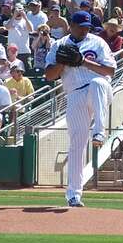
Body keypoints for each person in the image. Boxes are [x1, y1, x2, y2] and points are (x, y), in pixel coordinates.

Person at [45, 11, 115, 207]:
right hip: (74, 93)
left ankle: (99, 132)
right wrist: (62, 63)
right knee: (77, 144)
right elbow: (49, 76)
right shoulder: (59, 45)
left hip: (98, 90)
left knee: (98, 84)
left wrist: (84, 61)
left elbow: (110, 71)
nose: (85, 30)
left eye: (87, 27)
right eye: (81, 26)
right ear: (72, 26)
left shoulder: (98, 42)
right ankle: (73, 195)